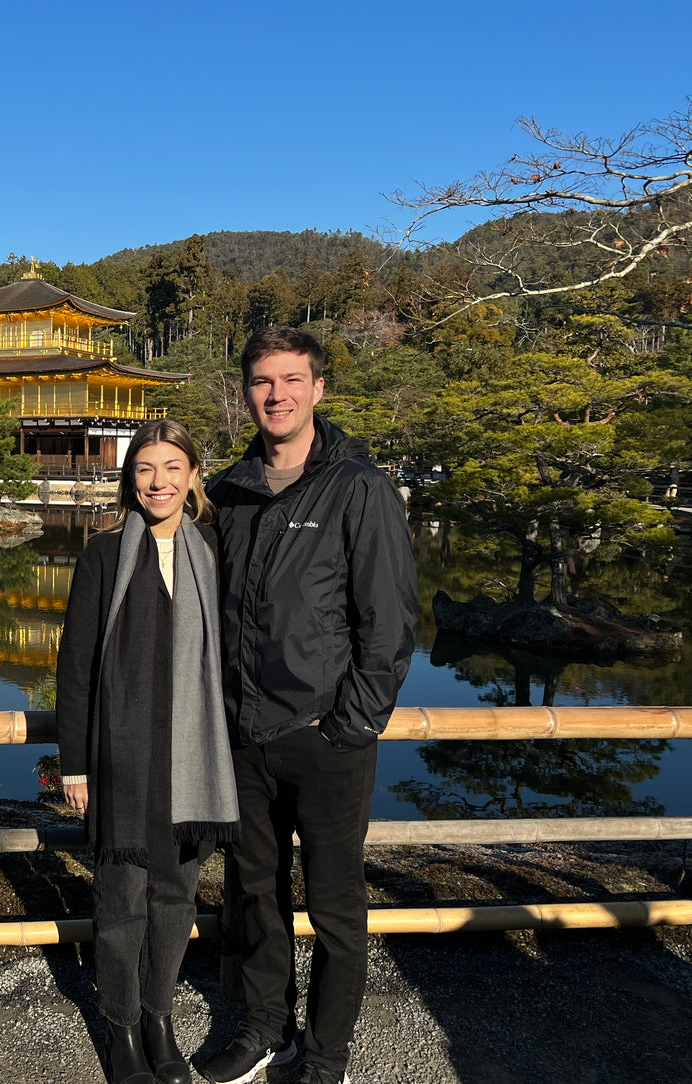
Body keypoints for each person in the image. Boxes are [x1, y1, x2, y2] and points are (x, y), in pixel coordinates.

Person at [200, 327, 418, 1084]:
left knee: (334, 909)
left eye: (292, 380)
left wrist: (352, 721)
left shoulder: (357, 485)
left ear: (318, 389)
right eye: (262, 381)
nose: (276, 395)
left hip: (326, 736)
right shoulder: (228, 490)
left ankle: (324, 1057)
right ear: (245, 392)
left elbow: (388, 620)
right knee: (253, 895)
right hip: (242, 735)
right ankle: (265, 1029)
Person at [56, 419, 241, 1084]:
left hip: (190, 761)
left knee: (175, 899)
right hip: (121, 758)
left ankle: (159, 1015)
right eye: (144, 469)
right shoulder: (102, 557)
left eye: (171, 467)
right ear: (128, 478)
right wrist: (73, 765)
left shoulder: (215, 550)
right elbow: (75, 668)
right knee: (120, 902)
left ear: (193, 475)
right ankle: (122, 1027)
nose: (158, 482)